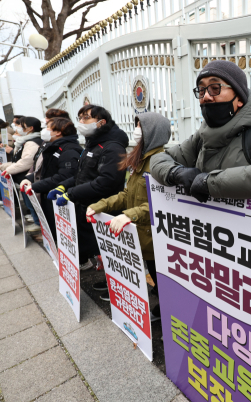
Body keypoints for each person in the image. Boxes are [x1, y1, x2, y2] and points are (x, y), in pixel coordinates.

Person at [150, 59, 251, 202]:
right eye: (201, 90)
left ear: (239, 98)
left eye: (215, 88)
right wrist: (176, 173)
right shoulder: (200, 138)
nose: (206, 97)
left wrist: (209, 182)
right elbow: (159, 159)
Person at [86, 112, 170, 311]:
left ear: (153, 131)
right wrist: (101, 205)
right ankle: (163, 307)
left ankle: (168, 314)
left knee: (163, 279)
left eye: (141, 126)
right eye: (137, 125)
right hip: (143, 235)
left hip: (156, 237)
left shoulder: (160, 162)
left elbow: (162, 203)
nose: (136, 130)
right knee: (156, 277)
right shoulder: (141, 158)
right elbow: (126, 194)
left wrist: (128, 215)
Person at [47, 105, 129, 270]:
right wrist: (64, 187)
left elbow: (106, 182)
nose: (81, 122)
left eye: (86, 118)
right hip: (88, 205)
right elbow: (82, 175)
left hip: (105, 208)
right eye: (80, 118)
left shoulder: (112, 147)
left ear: (101, 122)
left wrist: (71, 193)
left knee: (109, 252)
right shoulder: (92, 144)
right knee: (97, 250)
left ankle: (112, 289)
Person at [20, 117, 82, 241]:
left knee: (63, 233)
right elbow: (44, 170)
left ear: (58, 132)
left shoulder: (69, 150)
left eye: (48, 128)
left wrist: (36, 186)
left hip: (59, 197)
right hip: (48, 195)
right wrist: (30, 178)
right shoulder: (53, 146)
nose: (45, 130)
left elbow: (64, 176)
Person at [0, 116, 44, 232]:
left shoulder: (32, 142)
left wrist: (7, 170)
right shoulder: (25, 141)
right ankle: (35, 219)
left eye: (20, 126)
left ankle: (38, 223)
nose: (17, 128)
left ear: (30, 128)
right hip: (23, 177)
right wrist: (5, 166)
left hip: (27, 177)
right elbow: (19, 160)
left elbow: (26, 162)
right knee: (29, 202)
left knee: (31, 202)